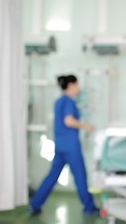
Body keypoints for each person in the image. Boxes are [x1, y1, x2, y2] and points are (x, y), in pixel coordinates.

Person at [28, 75, 99, 216]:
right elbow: (69, 121)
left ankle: (34, 205)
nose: (78, 89)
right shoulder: (69, 102)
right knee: (80, 176)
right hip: (71, 146)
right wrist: (86, 125)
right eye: (77, 85)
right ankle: (89, 208)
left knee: (52, 176)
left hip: (60, 145)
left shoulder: (58, 102)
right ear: (71, 85)